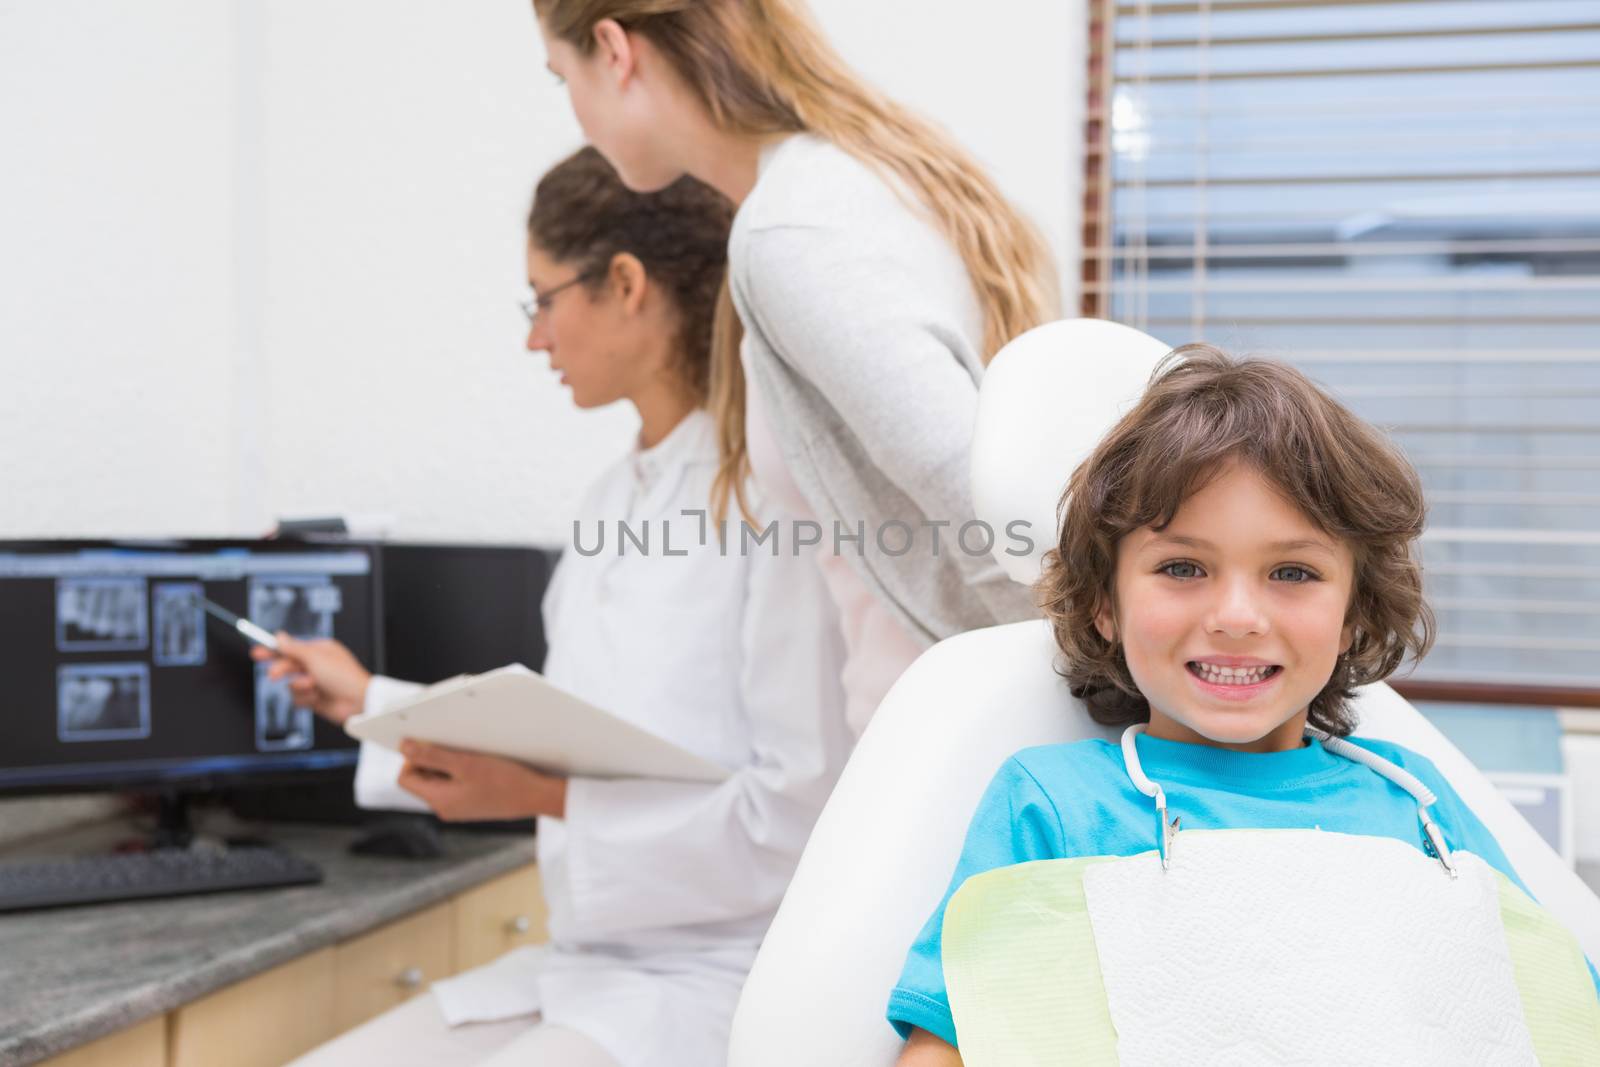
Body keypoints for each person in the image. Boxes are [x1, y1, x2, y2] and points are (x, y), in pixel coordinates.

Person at [267, 147, 848, 1067]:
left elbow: (793, 819)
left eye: (542, 299)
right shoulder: (615, 499)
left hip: (716, 980)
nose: (535, 338)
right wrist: (368, 699)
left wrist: (543, 796)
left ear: (624, 284)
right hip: (586, 969)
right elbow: (578, 731)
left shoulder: (771, 504)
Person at [887, 347, 1600, 1065]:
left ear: (1353, 610)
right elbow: (948, 1046)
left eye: (1292, 571)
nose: (1236, 614)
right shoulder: (1057, 805)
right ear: (1105, 601)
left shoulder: (1417, 803)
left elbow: (1556, 1019)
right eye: (1183, 568)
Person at [536, 0, 1059, 734]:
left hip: (964, 745)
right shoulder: (858, 178)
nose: (577, 116)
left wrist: (1083, 724)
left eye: (563, 78)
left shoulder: (792, 232)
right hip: (966, 732)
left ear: (614, 51)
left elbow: (980, 505)